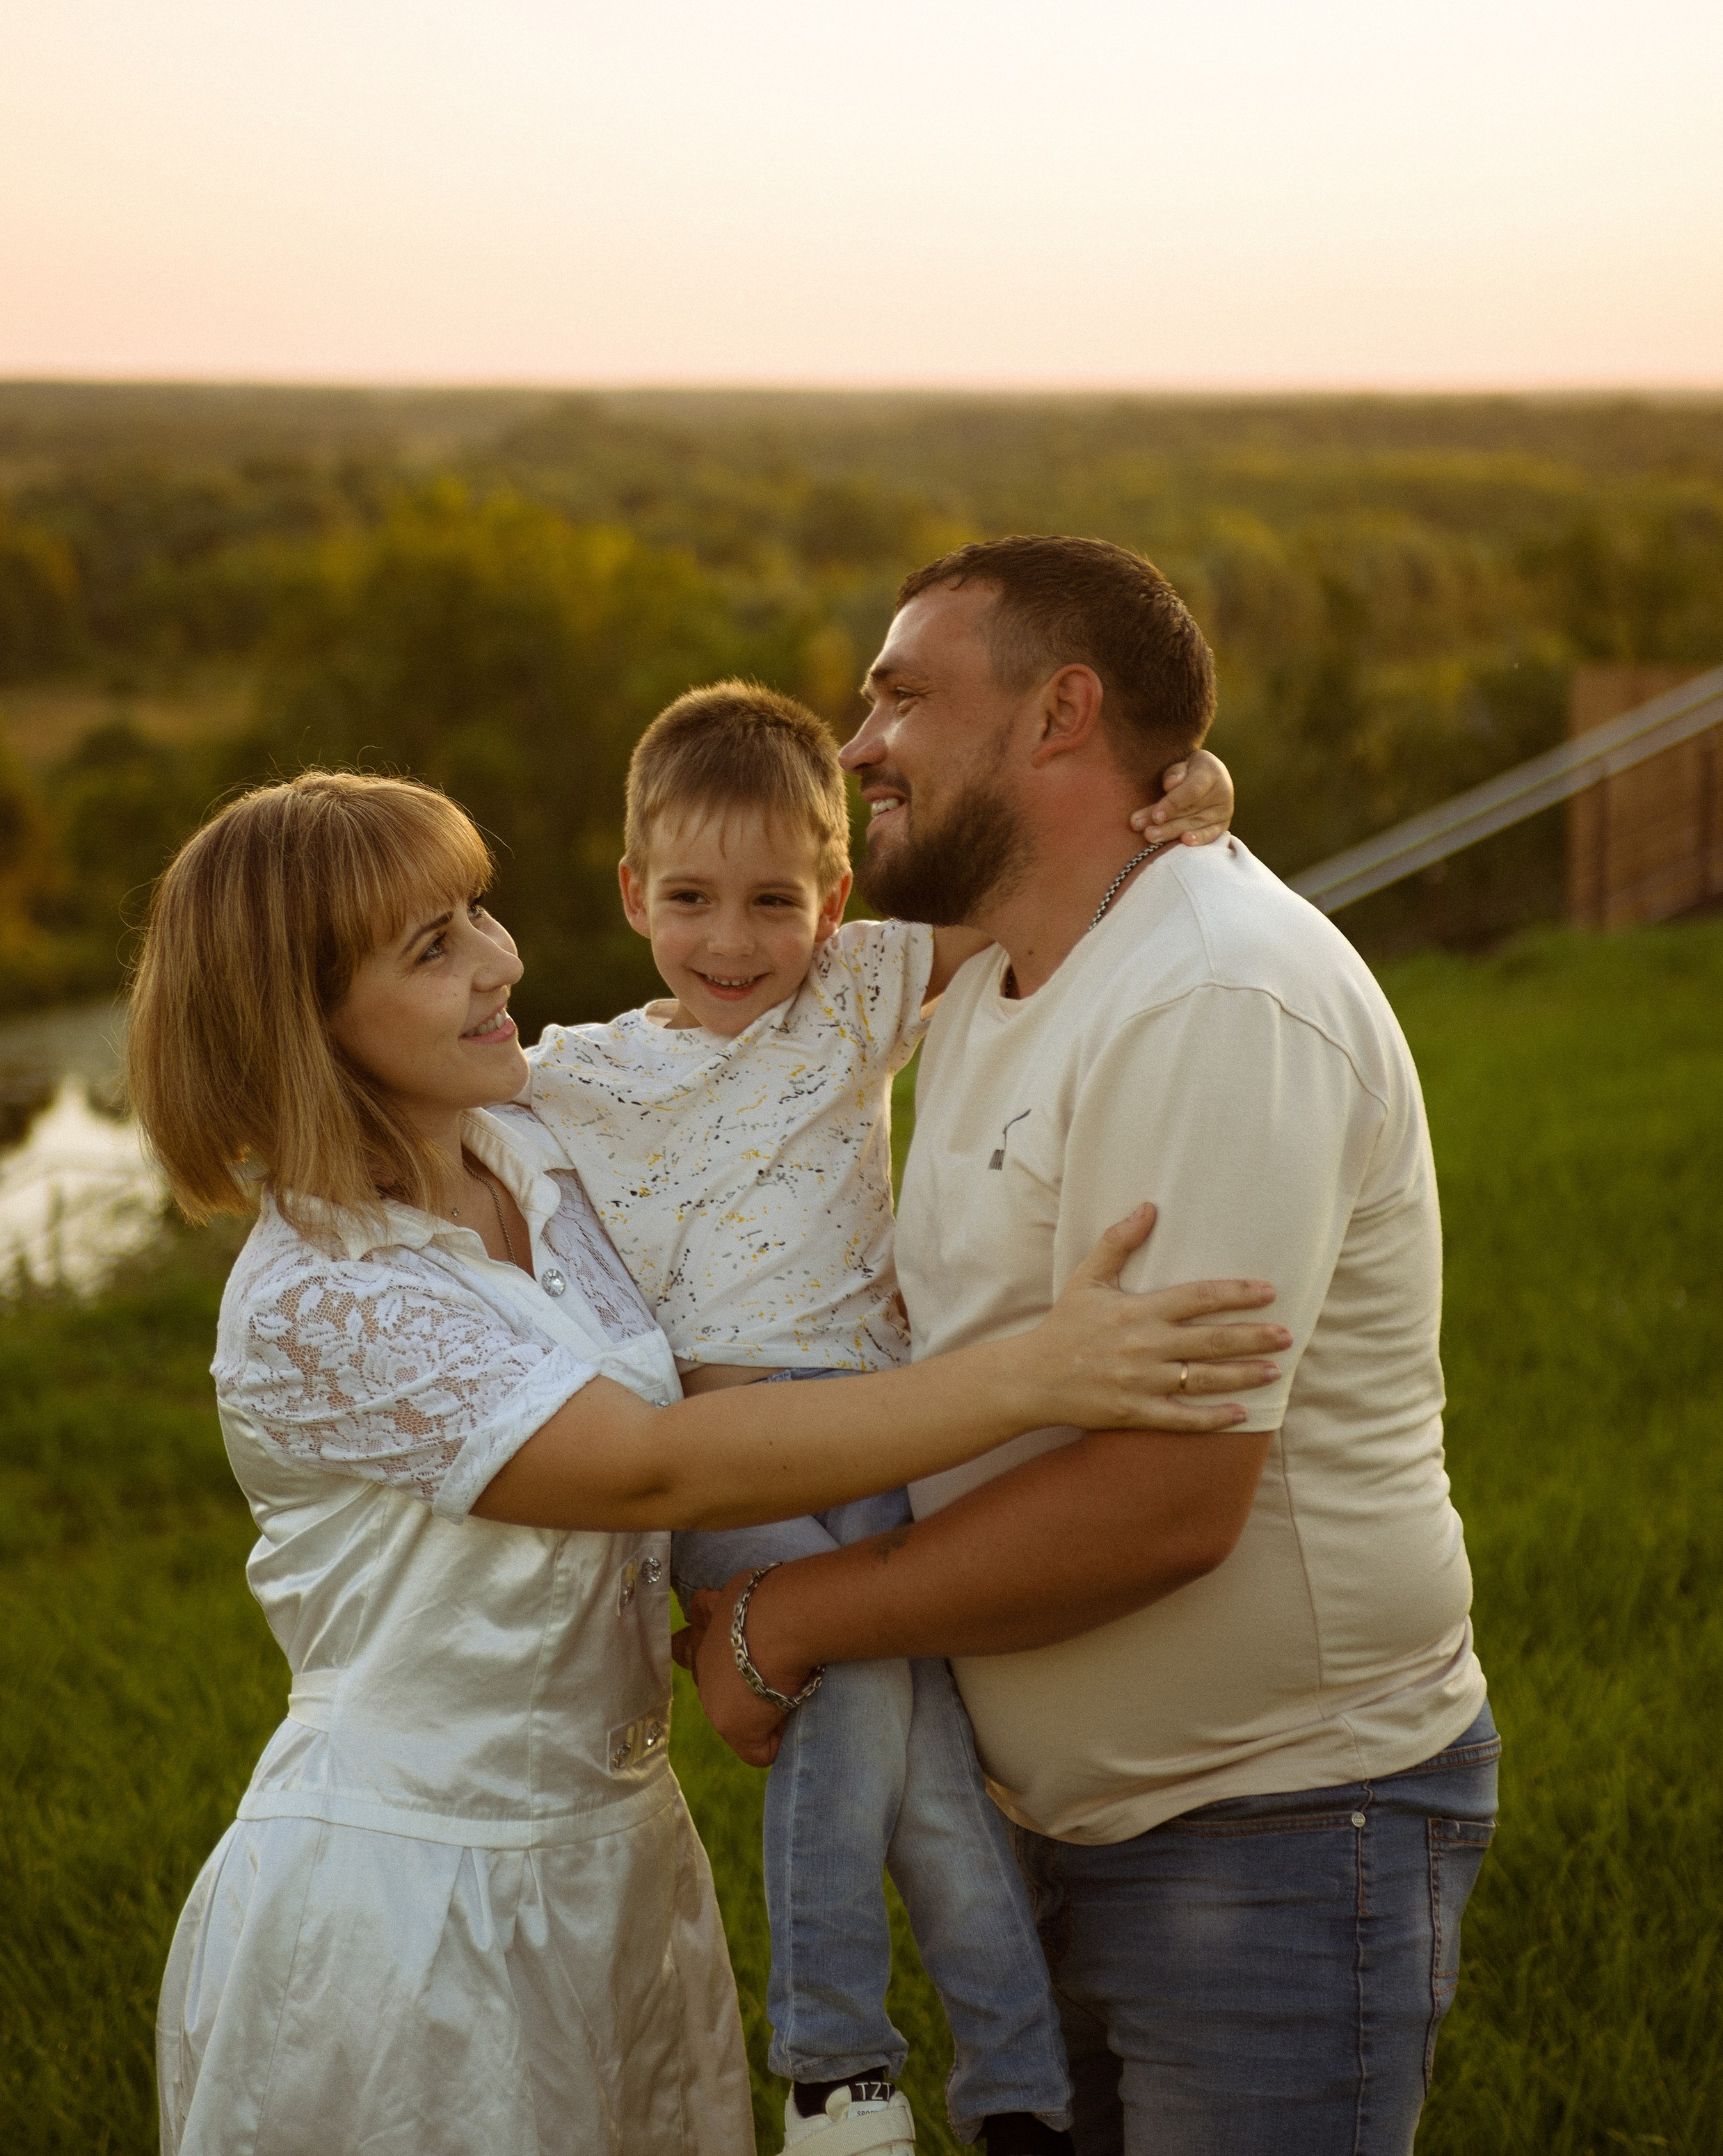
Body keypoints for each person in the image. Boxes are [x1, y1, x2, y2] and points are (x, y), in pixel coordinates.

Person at [127, 765, 1288, 2156]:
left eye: (477, 911)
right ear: (296, 1019)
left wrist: (1132, 806)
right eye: (430, 948)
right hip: (413, 1902)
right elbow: (651, 1470)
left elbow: (756, 1123)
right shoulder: (320, 1295)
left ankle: (980, 2077)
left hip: (618, 1854)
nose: (499, 957)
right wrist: (1029, 1376)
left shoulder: (532, 1148)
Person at [683, 536, 1499, 2156]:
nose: (854, 748)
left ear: (1060, 713)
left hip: (1270, 1828)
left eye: (900, 696)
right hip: (1059, 1827)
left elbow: (1161, 1502)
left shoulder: (1209, 994)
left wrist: (787, 1617)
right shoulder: (986, 965)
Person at [525, 683, 1254, 2153]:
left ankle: (1014, 2090)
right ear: (628, 893)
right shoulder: (578, 1074)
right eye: (688, 899)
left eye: (771, 901)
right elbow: (406, 1089)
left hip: (890, 1436)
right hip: (732, 1463)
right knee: (853, 1692)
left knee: (934, 1772)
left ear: (834, 895)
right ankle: (836, 2064)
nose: (731, 942)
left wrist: (1189, 803)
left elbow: (1069, 876)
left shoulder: (858, 986)